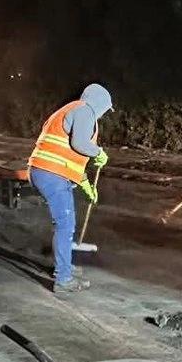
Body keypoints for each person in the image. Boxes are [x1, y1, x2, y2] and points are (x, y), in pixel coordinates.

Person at [27, 84, 112, 293]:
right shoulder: (84, 110)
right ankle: (63, 279)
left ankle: (64, 265)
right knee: (65, 225)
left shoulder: (72, 110)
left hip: (48, 171)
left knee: (66, 224)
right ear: (100, 103)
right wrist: (98, 152)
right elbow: (80, 144)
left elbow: (69, 156)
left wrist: (86, 186)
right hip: (51, 174)